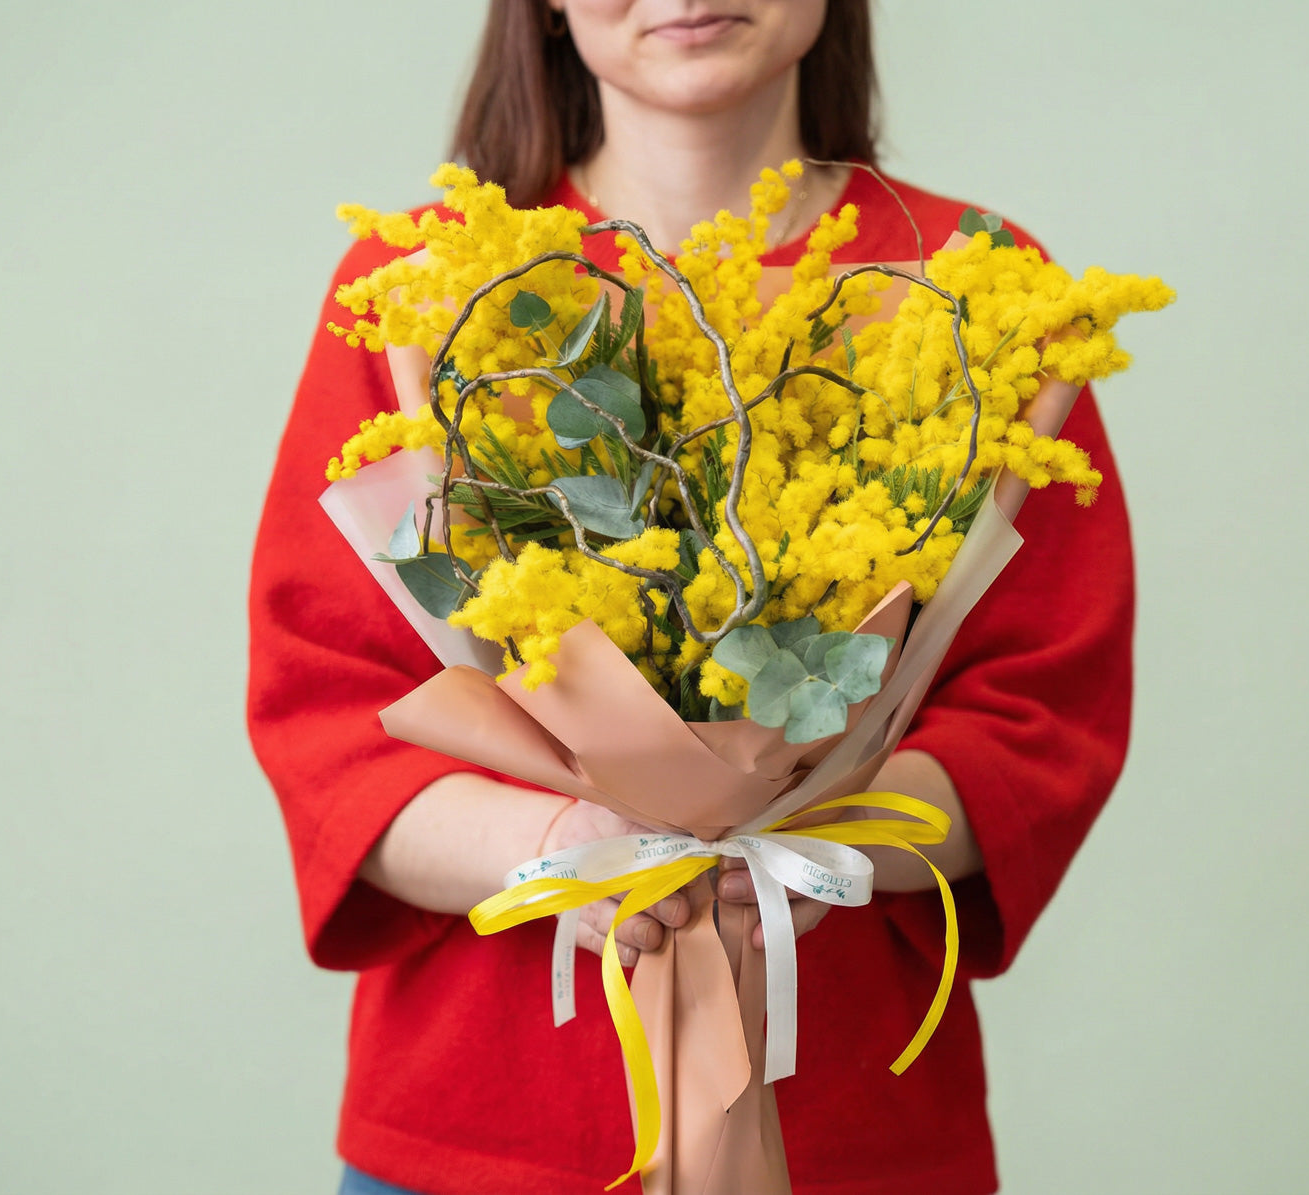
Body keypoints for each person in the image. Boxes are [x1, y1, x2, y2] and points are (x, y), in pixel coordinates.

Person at [248, 2, 1134, 1192]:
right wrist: (569, 851)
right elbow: (331, 718)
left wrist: (821, 849)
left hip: (851, 1133)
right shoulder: (416, 290)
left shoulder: (988, 291)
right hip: (480, 1131)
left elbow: (1039, 718)